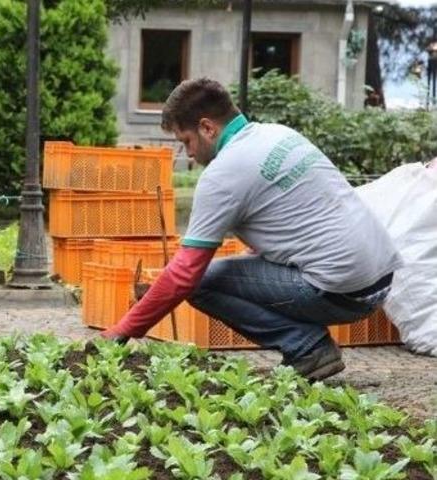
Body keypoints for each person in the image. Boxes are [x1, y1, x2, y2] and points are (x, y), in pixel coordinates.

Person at [101, 78, 402, 381]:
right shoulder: (278, 135)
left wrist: (125, 329)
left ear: (207, 128)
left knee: (202, 282)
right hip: (382, 281)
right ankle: (308, 346)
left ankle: (307, 348)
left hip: (344, 292)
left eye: (186, 141)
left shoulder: (222, 175)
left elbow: (184, 274)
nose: (188, 153)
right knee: (228, 268)